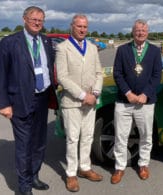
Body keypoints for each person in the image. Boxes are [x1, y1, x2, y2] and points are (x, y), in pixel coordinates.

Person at [0, 6, 57, 195]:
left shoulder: (46, 41)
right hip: (20, 100)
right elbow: (1, 75)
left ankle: (34, 175)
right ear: (24, 19)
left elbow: (48, 67)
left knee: (39, 142)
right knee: (24, 145)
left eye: (41, 20)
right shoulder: (10, 42)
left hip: (43, 98)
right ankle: (24, 186)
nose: (38, 23)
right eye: (34, 19)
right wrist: (4, 104)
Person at [56, 14, 103, 192]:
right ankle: (71, 174)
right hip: (73, 101)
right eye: (79, 26)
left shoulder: (92, 47)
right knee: (73, 139)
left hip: (91, 101)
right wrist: (83, 95)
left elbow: (98, 73)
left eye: (85, 26)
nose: (82, 29)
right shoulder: (63, 48)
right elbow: (62, 77)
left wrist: (95, 93)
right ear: (72, 27)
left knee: (88, 137)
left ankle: (84, 168)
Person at [111, 19, 162, 184]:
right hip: (124, 101)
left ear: (147, 32)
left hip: (145, 102)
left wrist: (145, 94)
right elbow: (117, 74)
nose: (140, 33)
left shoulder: (155, 51)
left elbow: (156, 76)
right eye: (137, 30)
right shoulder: (123, 50)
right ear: (133, 32)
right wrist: (128, 93)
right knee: (120, 135)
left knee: (146, 135)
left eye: (143, 30)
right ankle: (119, 167)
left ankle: (143, 164)